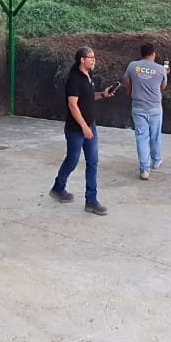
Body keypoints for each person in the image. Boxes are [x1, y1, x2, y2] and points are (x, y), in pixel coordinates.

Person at [50, 46, 119, 215]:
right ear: (82, 60)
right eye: (91, 57)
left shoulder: (89, 76)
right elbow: (72, 104)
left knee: (92, 162)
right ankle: (58, 188)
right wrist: (84, 127)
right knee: (72, 160)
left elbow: (87, 97)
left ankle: (91, 201)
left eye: (94, 57)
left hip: (90, 125)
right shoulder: (74, 79)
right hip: (76, 129)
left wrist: (102, 94)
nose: (94, 60)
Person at [121, 43, 167, 179]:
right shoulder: (160, 69)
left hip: (138, 106)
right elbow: (163, 87)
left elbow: (126, 83)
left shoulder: (132, 66)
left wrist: (131, 92)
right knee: (155, 135)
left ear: (141, 54)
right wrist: (164, 74)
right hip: (155, 107)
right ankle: (156, 161)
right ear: (153, 54)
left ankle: (144, 169)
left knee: (141, 137)